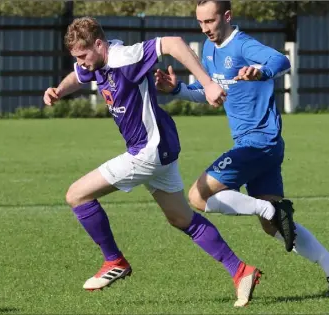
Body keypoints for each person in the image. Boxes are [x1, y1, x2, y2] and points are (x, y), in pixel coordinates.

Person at [43, 16, 263, 307]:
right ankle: (241, 271)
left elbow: (173, 43)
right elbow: (78, 76)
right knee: (182, 218)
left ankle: (114, 261)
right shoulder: (94, 63)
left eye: (83, 55)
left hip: (148, 151)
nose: (81, 62)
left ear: (99, 44)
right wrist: (59, 90)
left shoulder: (125, 57)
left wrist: (208, 84)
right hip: (160, 150)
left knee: (77, 195)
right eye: (76, 57)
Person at [154, 0, 329, 298]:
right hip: (261, 146)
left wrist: (260, 71)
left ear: (227, 16)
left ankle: (272, 208)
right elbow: (212, 93)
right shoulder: (209, 50)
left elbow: (280, 61)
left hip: (258, 143)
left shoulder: (243, 45)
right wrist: (177, 90)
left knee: (197, 196)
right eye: (200, 22)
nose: (205, 28)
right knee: (272, 226)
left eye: (210, 21)